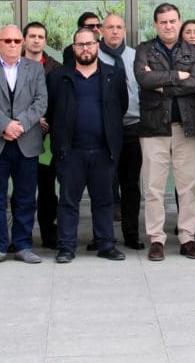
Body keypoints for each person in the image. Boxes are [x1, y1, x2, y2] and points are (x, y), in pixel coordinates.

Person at [46, 26, 129, 262]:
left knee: (103, 201)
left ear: (97, 46)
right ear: (74, 48)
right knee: (68, 202)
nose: (85, 48)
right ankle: (66, 247)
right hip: (70, 152)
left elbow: (119, 107)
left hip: (104, 151)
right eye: (80, 44)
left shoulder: (113, 75)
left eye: (89, 44)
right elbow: (51, 111)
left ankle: (106, 245)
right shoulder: (58, 77)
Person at [135, 2, 195, 261]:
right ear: (155, 24)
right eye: (163, 22)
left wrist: (162, 83)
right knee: (153, 187)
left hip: (186, 128)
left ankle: (188, 237)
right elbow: (143, 80)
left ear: (179, 22)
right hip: (154, 128)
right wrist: (178, 74)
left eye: (172, 21)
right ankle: (156, 238)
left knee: (187, 186)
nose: (168, 26)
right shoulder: (144, 49)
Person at [0, 24, 49, 265]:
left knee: (26, 197)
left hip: (26, 141)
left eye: (17, 41)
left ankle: (23, 245)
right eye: (8, 41)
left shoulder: (35, 68)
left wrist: (20, 125)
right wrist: (5, 125)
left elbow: (41, 102)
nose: (13, 45)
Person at [97, 13, 145, 250]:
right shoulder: (92, 56)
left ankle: (131, 233)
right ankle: (102, 236)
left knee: (131, 185)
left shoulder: (135, 57)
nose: (114, 31)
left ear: (124, 30)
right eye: (110, 27)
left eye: (118, 27)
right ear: (101, 31)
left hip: (132, 128)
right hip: (102, 130)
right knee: (103, 184)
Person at [22, 21, 62, 249]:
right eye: (32, 36)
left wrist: (48, 122)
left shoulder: (55, 68)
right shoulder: (12, 65)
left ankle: (49, 235)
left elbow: (60, 102)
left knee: (47, 190)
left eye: (40, 36)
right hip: (19, 136)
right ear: (25, 39)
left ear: (45, 41)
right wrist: (32, 120)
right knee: (22, 191)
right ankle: (21, 237)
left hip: (47, 139)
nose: (36, 40)